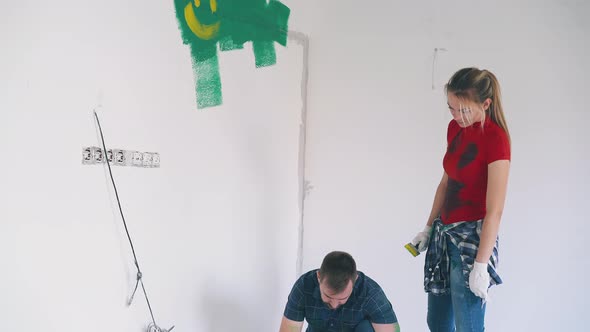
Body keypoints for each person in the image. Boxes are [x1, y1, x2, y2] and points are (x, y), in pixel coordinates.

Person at [409, 67, 511, 331]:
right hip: (444, 235)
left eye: (463, 109)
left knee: (468, 325)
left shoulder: (496, 139)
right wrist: (429, 226)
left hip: (471, 242)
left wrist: (480, 265)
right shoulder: (455, 129)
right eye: (451, 108)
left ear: (485, 104)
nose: (456, 116)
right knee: (438, 323)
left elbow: (495, 210)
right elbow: (446, 183)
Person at [279, 251, 400, 332]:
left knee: (366, 327)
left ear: (355, 280)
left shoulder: (371, 293)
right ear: (319, 277)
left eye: (342, 299)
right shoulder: (304, 286)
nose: (334, 305)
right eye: (328, 297)